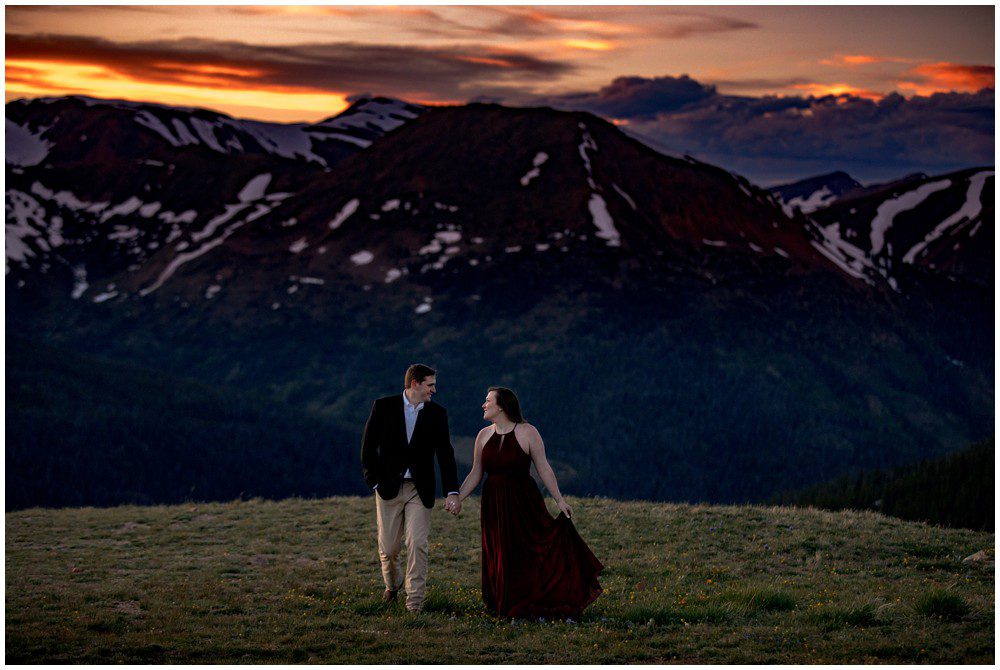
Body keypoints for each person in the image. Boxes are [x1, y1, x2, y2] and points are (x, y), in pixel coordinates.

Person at [446, 386, 603, 619]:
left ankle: (531, 601)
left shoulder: (528, 432)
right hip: (494, 504)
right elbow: (476, 473)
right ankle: (505, 603)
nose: (483, 404)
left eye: (488, 400)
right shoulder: (483, 435)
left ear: (501, 406)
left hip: (523, 501)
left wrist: (559, 500)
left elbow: (544, 468)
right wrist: (457, 496)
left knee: (527, 550)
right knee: (500, 551)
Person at [361, 363, 460, 612]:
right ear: (415, 383)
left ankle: (414, 604)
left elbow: (445, 453)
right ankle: (392, 586)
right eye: (430, 384)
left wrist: (452, 490)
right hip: (387, 488)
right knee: (389, 548)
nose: (434, 390)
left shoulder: (438, 413)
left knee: (417, 543)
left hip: (420, 489)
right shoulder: (383, 407)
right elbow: (368, 446)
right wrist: (373, 481)